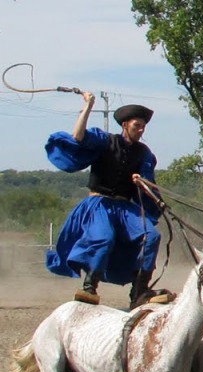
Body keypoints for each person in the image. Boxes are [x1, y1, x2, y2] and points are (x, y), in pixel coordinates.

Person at [45, 91, 172, 310]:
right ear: (125, 125)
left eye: (143, 127)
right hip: (99, 205)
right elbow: (77, 137)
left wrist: (143, 184)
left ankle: (139, 292)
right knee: (103, 237)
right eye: (136, 126)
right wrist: (88, 106)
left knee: (151, 236)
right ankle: (89, 287)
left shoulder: (143, 153)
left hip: (125, 207)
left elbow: (148, 181)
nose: (141, 131)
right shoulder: (105, 140)